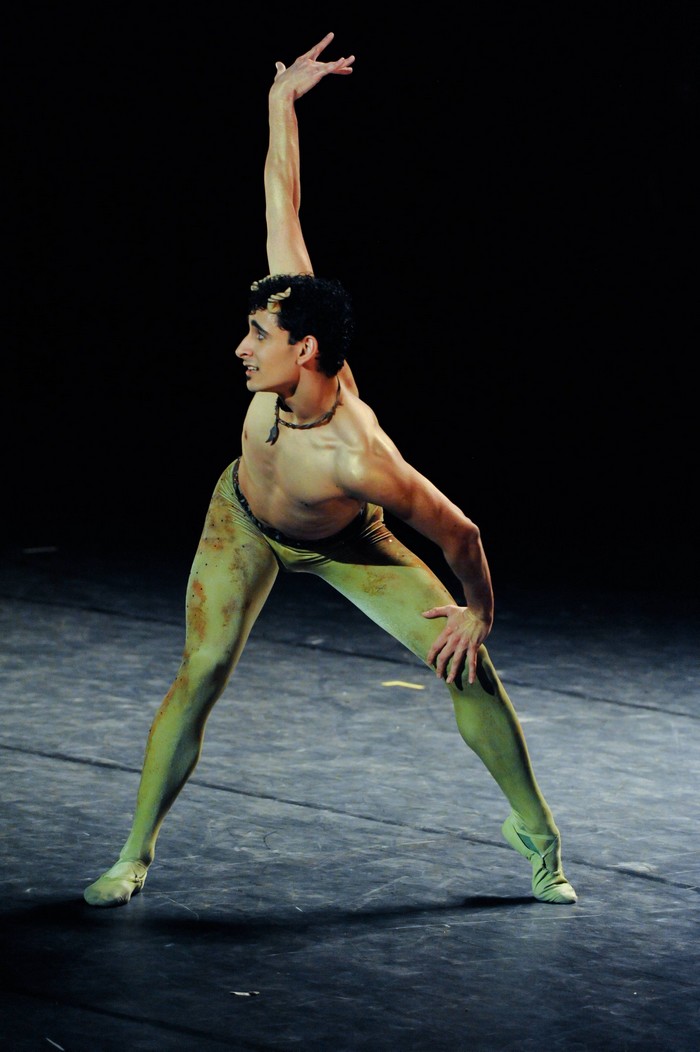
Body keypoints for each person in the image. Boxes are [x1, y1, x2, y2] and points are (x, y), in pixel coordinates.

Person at [84, 32, 576, 908]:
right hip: (242, 519)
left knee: (466, 664)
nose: (241, 348)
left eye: (257, 338)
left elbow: (460, 530)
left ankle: (538, 836)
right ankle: (133, 854)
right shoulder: (294, 300)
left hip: (347, 542)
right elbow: (283, 193)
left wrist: (480, 611)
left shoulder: (360, 456)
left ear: (304, 351)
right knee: (201, 672)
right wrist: (282, 100)